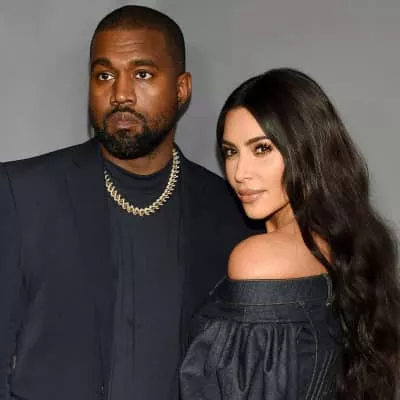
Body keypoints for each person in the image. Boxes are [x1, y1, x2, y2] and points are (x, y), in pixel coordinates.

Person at [0, 5, 259, 400]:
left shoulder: (229, 212)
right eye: (104, 75)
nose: (120, 94)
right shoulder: (23, 193)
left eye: (142, 74)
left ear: (182, 89)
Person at [180, 68, 400, 399]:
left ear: (306, 149)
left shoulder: (257, 260)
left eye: (262, 149)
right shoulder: (348, 242)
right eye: (230, 151)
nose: (240, 173)